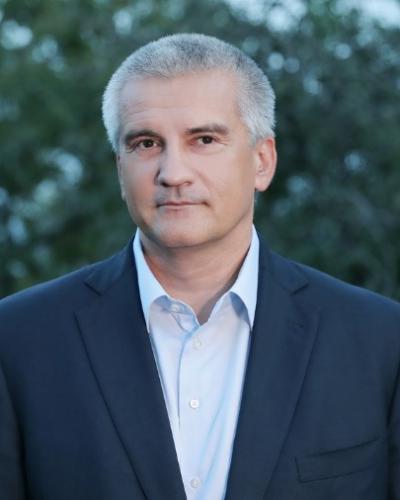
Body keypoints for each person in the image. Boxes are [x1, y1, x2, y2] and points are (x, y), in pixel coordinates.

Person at [0, 33, 399, 500]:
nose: (173, 172)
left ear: (262, 162)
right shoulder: (17, 340)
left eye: (204, 139)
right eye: (146, 143)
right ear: (120, 169)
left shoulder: (381, 341)